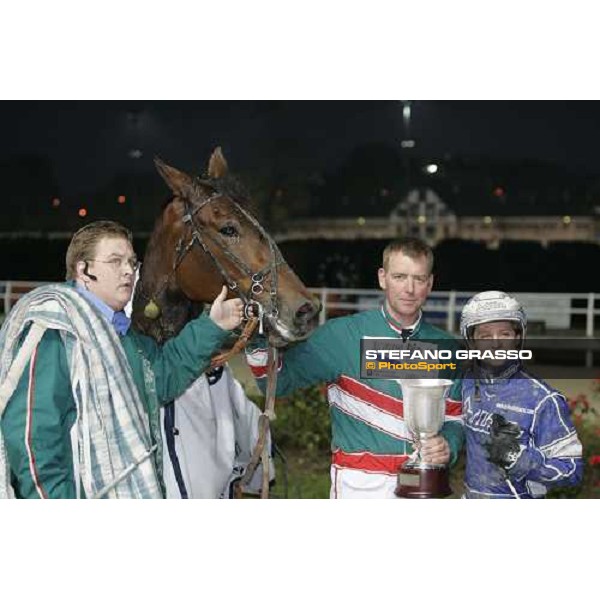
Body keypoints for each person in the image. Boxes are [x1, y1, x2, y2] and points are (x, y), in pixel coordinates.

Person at [0, 220, 244, 499]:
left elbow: (162, 378)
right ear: (84, 270)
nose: (129, 270)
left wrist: (213, 326)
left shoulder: (124, 336)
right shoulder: (56, 331)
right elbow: (33, 438)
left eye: (131, 262)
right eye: (115, 261)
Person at [246, 237, 463, 499]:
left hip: (427, 486)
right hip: (360, 487)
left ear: (429, 284)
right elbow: (278, 382)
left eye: (418, 279)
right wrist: (255, 337)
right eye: (399, 277)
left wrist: (448, 445)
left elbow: (455, 417)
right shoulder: (340, 335)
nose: (409, 288)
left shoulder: (447, 347)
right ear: (382, 278)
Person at [459, 290, 583, 499]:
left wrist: (522, 461)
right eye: (485, 336)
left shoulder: (543, 399)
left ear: (518, 338)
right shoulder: (466, 384)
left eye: (505, 334)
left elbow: (572, 470)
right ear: (472, 342)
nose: (495, 344)